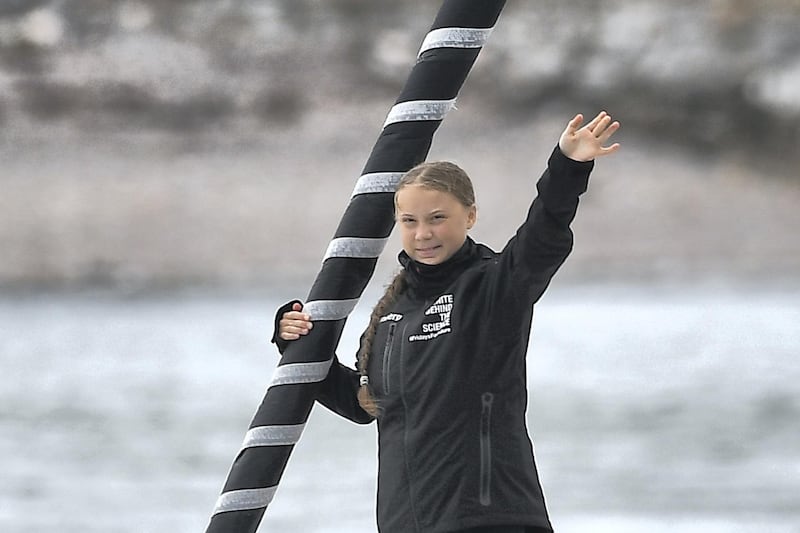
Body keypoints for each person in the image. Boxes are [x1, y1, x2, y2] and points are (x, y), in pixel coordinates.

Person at [271, 112, 621, 533]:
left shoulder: (493, 286)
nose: (423, 233)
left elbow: (543, 235)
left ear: (469, 216)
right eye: (409, 221)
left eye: (438, 218)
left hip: (493, 519)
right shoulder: (389, 315)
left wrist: (568, 165)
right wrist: (296, 343)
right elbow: (363, 405)